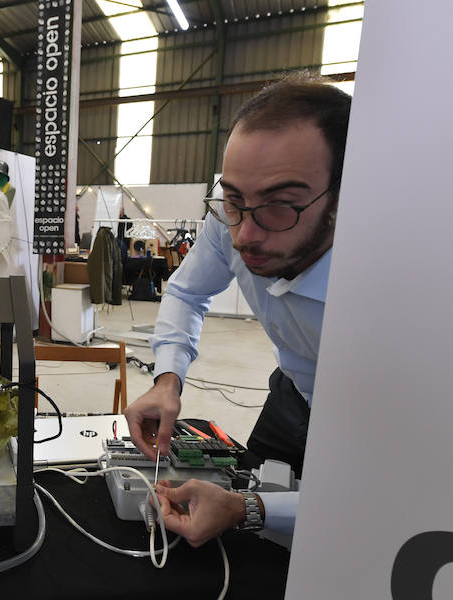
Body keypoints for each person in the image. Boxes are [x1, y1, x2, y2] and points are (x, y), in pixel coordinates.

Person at [124, 73, 352, 546]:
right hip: (290, 396)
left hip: (363, 413)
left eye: (280, 205)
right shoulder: (234, 212)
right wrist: (168, 380)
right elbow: (187, 293)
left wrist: (247, 508)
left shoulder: (405, 287)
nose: (244, 234)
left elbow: (390, 497)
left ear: (344, 196)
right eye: (233, 200)